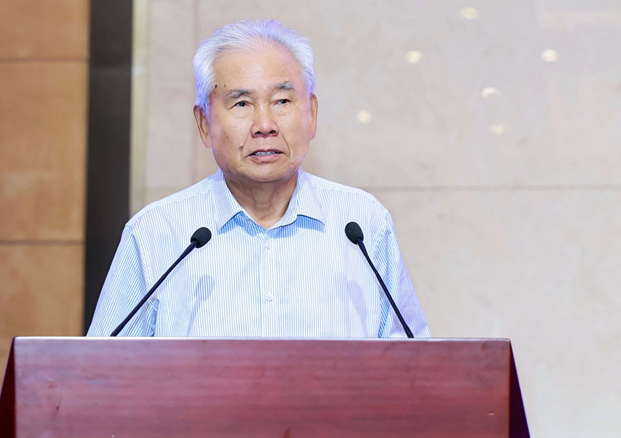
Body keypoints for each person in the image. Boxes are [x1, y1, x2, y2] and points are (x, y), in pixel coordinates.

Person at [87, 19, 430, 338]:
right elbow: (99, 371)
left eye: (282, 100)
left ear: (311, 114)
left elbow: (419, 365)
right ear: (204, 123)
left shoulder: (362, 224)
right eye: (241, 104)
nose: (265, 125)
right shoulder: (157, 233)